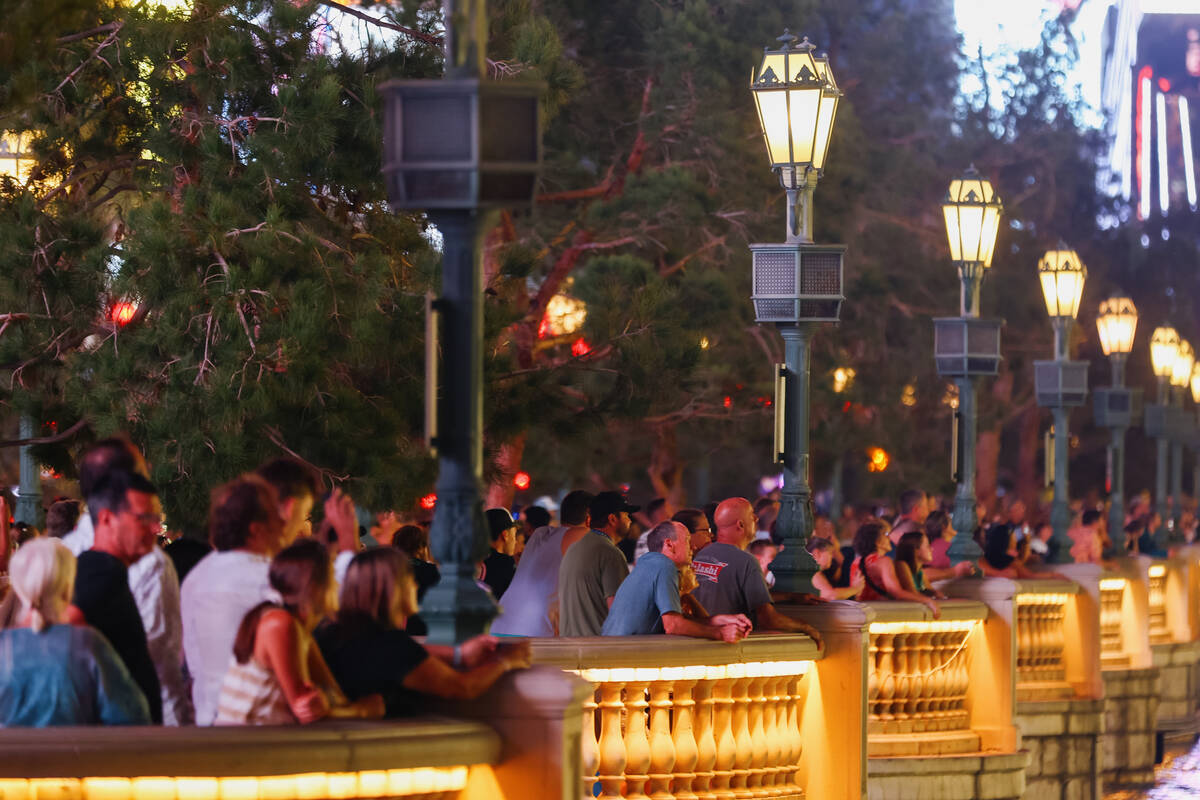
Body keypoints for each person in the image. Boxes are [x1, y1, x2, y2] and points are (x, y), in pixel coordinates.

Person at [61, 438, 189, 725]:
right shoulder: (116, 568)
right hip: (121, 738)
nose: (154, 527)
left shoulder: (68, 551)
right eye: (144, 517)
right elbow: (161, 660)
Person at [317, 549, 531, 714]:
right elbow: (461, 687)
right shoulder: (390, 644)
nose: (415, 587)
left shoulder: (340, 635)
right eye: (410, 580)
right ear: (393, 590)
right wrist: (506, 660)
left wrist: (459, 654)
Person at [215, 539, 382, 725]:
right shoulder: (280, 623)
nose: (337, 583)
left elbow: (335, 698)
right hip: (242, 747)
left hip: (263, 744)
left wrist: (335, 704)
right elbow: (305, 712)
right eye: (332, 574)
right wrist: (363, 710)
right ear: (314, 585)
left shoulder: (302, 632)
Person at [0, 538, 150, 726]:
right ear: (67, 587)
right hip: (78, 754)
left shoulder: (3, 646)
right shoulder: (87, 643)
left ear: (19, 589)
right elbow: (132, 716)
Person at [183, 474, 290, 725]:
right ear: (256, 529)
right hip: (261, 727)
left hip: (208, 718)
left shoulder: (196, 577)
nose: (284, 527)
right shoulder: (270, 579)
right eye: (277, 519)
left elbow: (194, 661)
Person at [72, 470, 165, 723]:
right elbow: (64, 628)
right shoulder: (102, 572)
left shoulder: (99, 568)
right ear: (106, 519)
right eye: (144, 518)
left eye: (156, 518)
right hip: (113, 748)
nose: (155, 528)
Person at [690, 497, 822, 643]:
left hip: (697, 643)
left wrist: (789, 596)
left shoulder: (701, 555)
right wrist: (807, 627)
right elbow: (768, 619)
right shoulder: (746, 562)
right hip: (728, 646)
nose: (756, 518)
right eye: (751, 514)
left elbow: (734, 591)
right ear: (740, 524)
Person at [602, 521, 752, 640]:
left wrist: (721, 620)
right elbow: (673, 625)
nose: (692, 546)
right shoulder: (663, 564)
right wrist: (721, 633)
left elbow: (681, 619)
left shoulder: (650, 565)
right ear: (669, 544)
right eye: (687, 540)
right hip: (621, 658)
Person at [492, 490, 593, 637]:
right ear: (589, 519)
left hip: (499, 628)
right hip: (533, 638)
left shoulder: (540, 534)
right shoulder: (582, 537)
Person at [558, 491, 636, 636]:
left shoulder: (574, 548)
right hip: (596, 650)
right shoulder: (610, 553)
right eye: (626, 515)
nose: (630, 521)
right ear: (612, 519)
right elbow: (619, 612)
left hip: (569, 647)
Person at [849, 520, 939, 617]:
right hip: (878, 614)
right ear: (877, 542)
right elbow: (896, 592)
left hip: (860, 614)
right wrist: (928, 601)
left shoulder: (856, 562)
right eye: (886, 534)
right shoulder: (884, 561)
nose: (889, 538)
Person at [393, 524, 439, 636]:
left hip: (390, 632)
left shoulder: (387, 568)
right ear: (421, 547)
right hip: (420, 632)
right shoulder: (431, 571)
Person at [979, 523, 1059, 579]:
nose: (1015, 542)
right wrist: (1053, 575)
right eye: (1012, 540)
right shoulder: (1009, 561)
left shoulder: (1010, 561)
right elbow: (1030, 576)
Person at [894, 532, 945, 599]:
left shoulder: (919, 571)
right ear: (915, 550)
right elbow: (912, 593)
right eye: (927, 546)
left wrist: (935, 594)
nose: (931, 549)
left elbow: (932, 591)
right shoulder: (901, 565)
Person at [481, 508, 518, 598]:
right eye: (514, 535)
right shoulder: (505, 562)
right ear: (505, 535)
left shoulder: (471, 556)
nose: (515, 541)